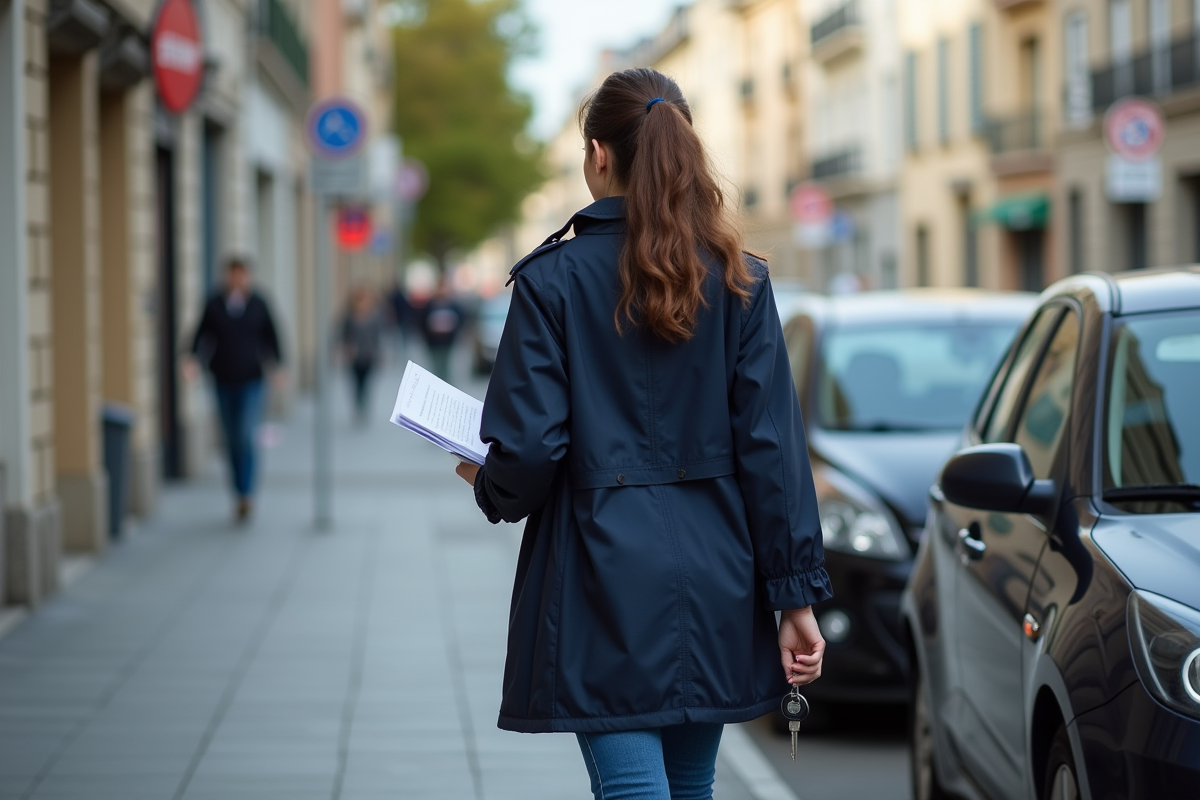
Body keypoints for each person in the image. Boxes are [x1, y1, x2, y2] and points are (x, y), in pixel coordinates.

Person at [454, 69, 830, 800]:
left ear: (599, 154)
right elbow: (774, 454)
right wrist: (795, 599)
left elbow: (529, 452)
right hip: (721, 580)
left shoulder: (551, 281)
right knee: (691, 789)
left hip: (600, 584)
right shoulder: (738, 279)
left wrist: (487, 480)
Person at [185, 257, 284, 523]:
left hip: (252, 379)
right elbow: (200, 334)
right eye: (234, 274)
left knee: (246, 435)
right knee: (230, 439)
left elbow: (273, 335)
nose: (238, 279)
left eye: (242, 274)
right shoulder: (215, 303)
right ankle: (237, 492)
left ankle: (247, 494)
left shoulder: (259, 303)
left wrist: (278, 366)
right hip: (222, 379)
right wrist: (192, 359)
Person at [339, 287, 384, 424]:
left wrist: (379, 353)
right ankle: (358, 408)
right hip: (354, 357)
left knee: (366, 383)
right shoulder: (349, 317)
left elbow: (377, 337)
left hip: (369, 355)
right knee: (356, 384)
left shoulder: (374, 317)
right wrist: (345, 348)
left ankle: (364, 408)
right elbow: (343, 335)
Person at [418, 277, 464, 382]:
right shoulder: (430, 305)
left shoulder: (452, 305)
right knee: (435, 366)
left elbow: (460, 320)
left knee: (446, 366)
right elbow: (422, 321)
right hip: (433, 342)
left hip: (447, 341)